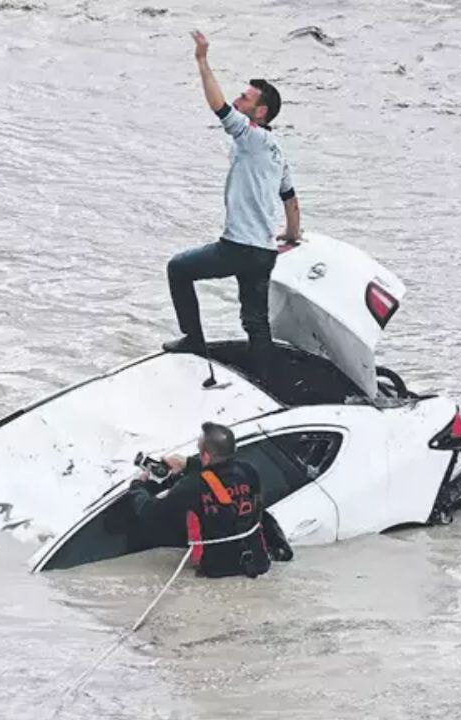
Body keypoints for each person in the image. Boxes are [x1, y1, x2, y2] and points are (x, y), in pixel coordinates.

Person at [163, 30, 301, 377]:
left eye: (246, 98)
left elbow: (217, 105)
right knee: (255, 321)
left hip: (239, 247)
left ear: (261, 111)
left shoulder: (250, 135)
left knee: (178, 269)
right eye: (240, 95)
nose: (239, 101)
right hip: (263, 251)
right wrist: (291, 235)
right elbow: (291, 198)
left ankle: (193, 340)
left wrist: (202, 60)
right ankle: (266, 380)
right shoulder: (276, 150)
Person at [127, 421, 290, 578]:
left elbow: (148, 511)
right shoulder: (249, 472)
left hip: (217, 572)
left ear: (204, 456)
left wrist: (138, 486)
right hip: (259, 563)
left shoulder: (192, 487)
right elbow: (223, 472)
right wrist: (189, 463)